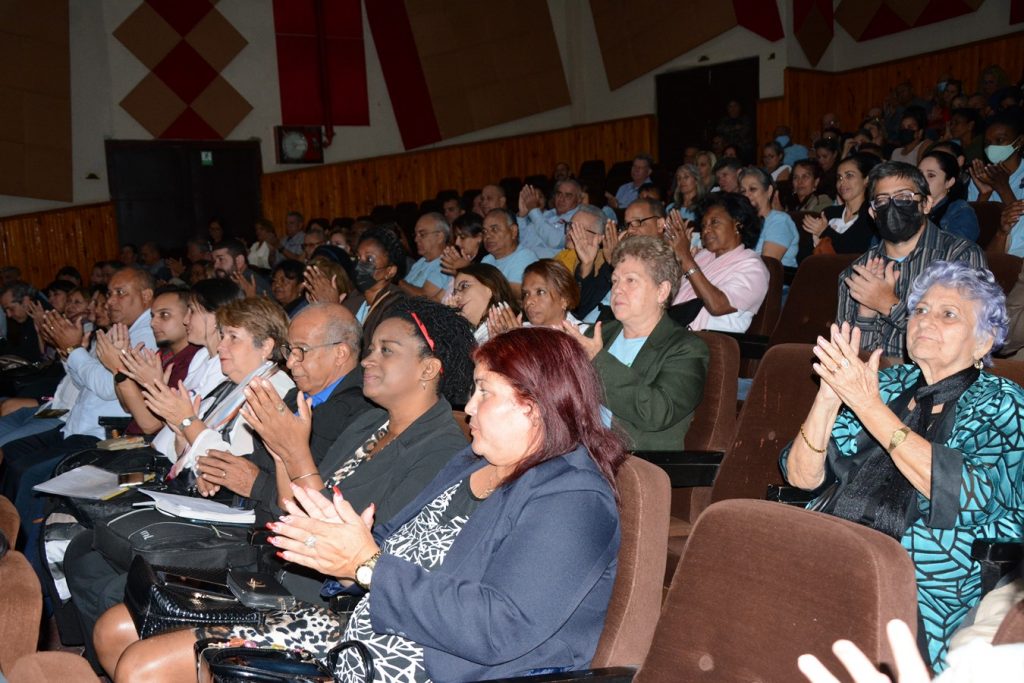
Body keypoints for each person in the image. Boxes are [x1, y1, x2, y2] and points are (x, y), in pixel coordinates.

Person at [782, 261, 1024, 669]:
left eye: (948, 314)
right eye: (920, 310)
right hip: (831, 542)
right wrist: (828, 397)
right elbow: (801, 478)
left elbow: (966, 493)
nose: (926, 321)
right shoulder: (887, 383)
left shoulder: (1003, 403)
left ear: (984, 342)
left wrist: (867, 405)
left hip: (929, 571)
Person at [564, 236, 708, 451]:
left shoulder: (686, 349)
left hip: (632, 464)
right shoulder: (597, 334)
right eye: (614, 281)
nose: (617, 289)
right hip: (575, 450)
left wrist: (598, 361)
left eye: (630, 280)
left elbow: (657, 412)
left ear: (662, 291)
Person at [836, 161, 985, 360]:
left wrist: (889, 305)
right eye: (881, 200)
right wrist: (866, 315)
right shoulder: (856, 273)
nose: (892, 206)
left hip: (935, 380)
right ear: (873, 212)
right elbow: (847, 358)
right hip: (870, 381)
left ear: (926, 204)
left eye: (904, 197)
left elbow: (966, 337)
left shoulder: (959, 257)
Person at [141, 296, 294, 489]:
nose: (221, 346)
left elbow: (235, 465)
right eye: (222, 336)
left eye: (233, 337)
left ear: (266, 346)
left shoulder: (274, 391)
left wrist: (187, 421)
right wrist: (181, 432)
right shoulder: (230, 385)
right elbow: (187, 453)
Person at [664, 193, 769, 332]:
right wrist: (676, 259)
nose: (706, 230)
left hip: (708, 343)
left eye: (714, 222)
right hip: (672, 331)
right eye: (703, 225)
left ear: (738, 225)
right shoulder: (703, 256)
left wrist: (687, 259)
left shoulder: (754, 267)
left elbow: (717, 306)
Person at [802, 153, 881, 257]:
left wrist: (824, 232)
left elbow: (855, 252)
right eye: (839, 178)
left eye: (849, 176)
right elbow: (804, 256)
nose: (842, 182)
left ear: (866, 180)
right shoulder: (829, 212)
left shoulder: (871, 215)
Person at [487, 259, 587, 335]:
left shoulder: (583, 335)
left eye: (540, 292)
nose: (528, 301)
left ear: (565, 299)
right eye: (526, 294)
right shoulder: (520, 329)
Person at [351, 226, 407, 349]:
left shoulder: (397, 306)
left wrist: (333, 306)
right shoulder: (354, 297)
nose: (359, 265)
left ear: (390, 271)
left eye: (369, 259)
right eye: (357, 258)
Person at [739, 166, 800, 267]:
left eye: (752, 189)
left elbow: (767, 266)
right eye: (743, 191)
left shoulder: (779, 221)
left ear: (769, 191)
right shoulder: (743, 222)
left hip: (770, 280)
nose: (747, 195)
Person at [918, 150, 979, 242]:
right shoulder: (910, 206)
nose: (921, 180)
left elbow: (957, 250)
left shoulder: (960, 211)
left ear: (949, 182)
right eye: (919, 174)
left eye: (931, 175)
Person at [451, 263, 520, 343]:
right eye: (454, 293)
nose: (456, 297)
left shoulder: (523, 330)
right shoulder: (465, 336)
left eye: (464, 286)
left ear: (490, 286)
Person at [480, 208, 539, 297]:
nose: (487, 236)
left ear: (513, 231)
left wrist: (467, 269)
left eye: (494, 229)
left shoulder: (525, 257)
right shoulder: (487, 259)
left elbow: (519, 294)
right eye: (484, 231)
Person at [399, 213, 450, 300]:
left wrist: (398, 282)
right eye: (415, 235)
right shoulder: (422, 261)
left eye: (422, 235)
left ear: (440, 237)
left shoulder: (446, 263)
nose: (416, 240)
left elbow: (425, 297)